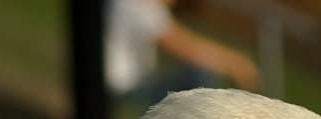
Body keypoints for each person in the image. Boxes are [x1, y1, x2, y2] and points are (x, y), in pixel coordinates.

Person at [105, 0, 260, 102]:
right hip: (122, 90)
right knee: (198, 74)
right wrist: (235, 64)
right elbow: (188, 49)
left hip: (130, 87)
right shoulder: (139, 6)